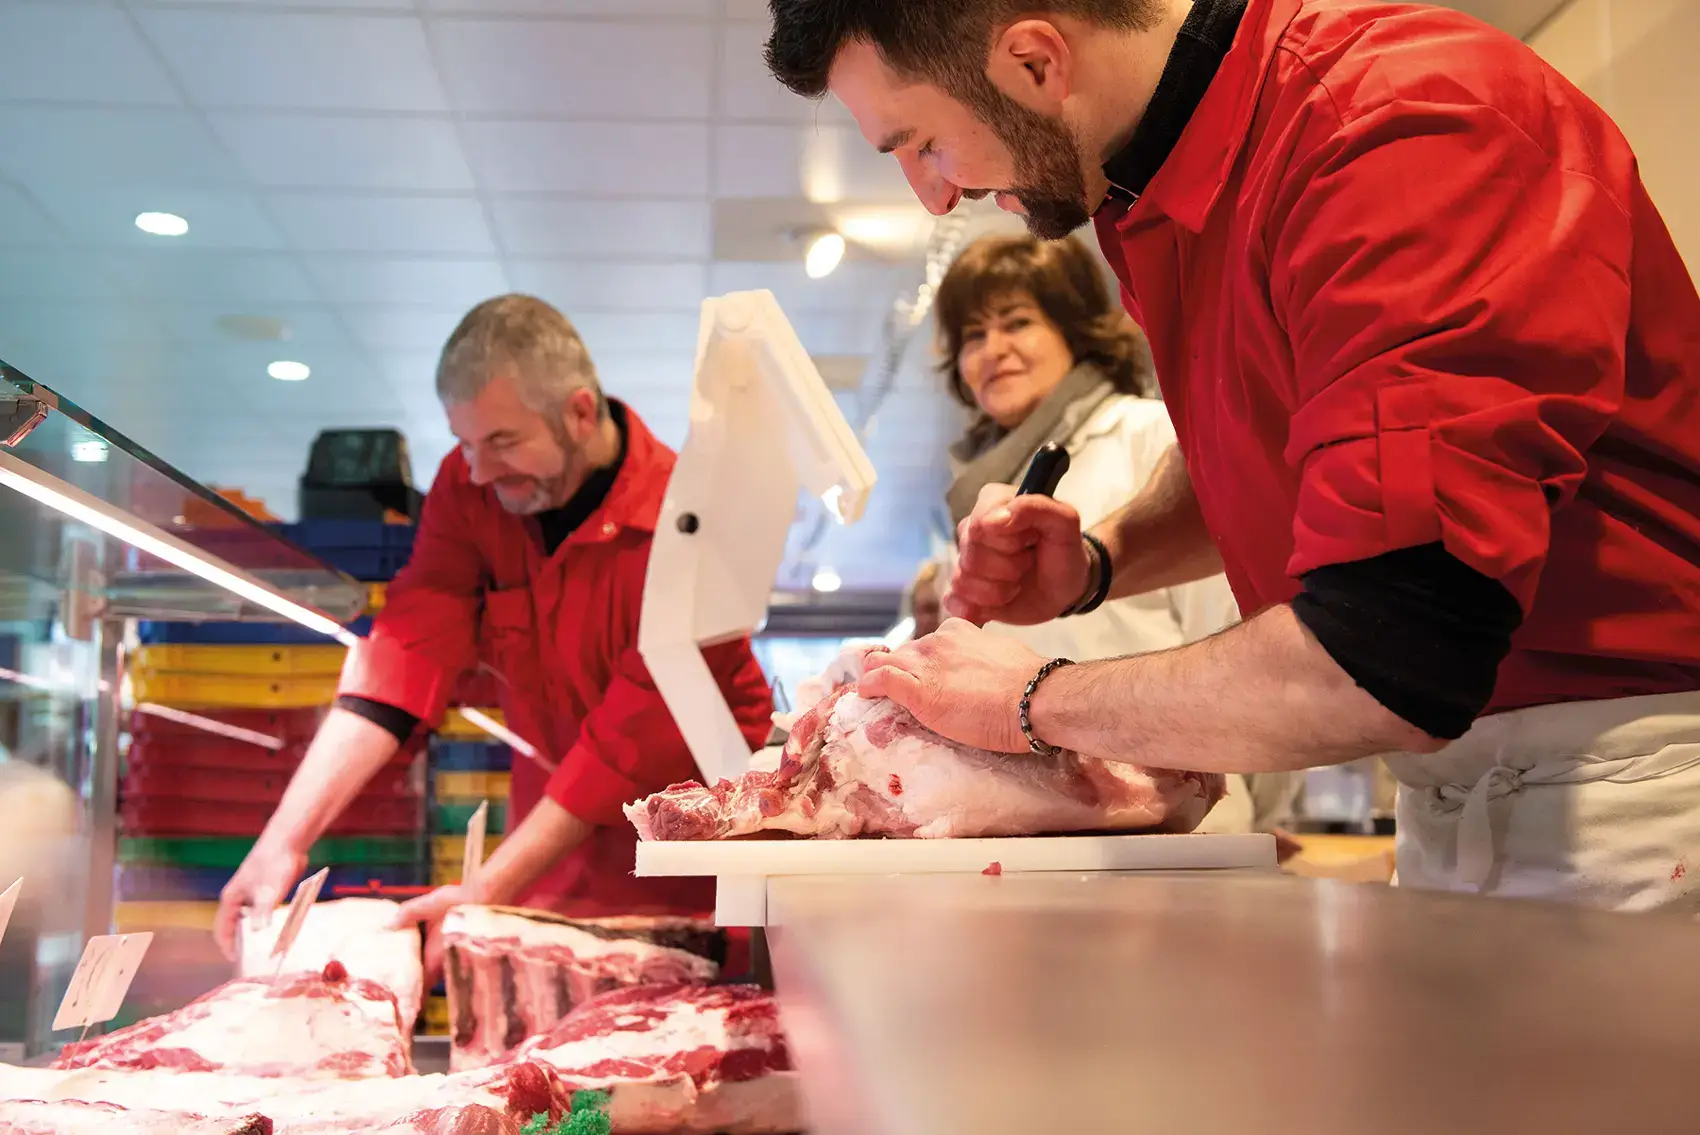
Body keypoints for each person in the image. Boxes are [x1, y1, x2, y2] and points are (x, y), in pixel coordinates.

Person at [764, 0, 1700, 910]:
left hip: (1633, 797)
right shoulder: (1155, 197)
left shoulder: (1392, 126)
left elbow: (1390, 652)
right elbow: (1282, 435)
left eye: (923, 144)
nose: (933, 197)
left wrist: (1031, 699)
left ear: (1036, 62)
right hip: (1462, 796)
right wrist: (1101, 560)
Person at [215, 295, 774, 960]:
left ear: (580, 412)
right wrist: (282, 840)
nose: (478, 470)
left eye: (503, 442)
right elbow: (408, 648)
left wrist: (486, 886)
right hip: (545, 857)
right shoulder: (473, 488)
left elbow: (630, 738)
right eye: (465, 444)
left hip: (687, 865)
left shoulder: (687, 524)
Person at [922, 231, 1297, 835]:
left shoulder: (1154, 436)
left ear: (1074, 331)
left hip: (1184, 820)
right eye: (973, 334)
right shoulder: (977, 490)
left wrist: (1260, 818)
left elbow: (1250, 629)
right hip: (1041, 817)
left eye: (1017, 322)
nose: (993, 350)